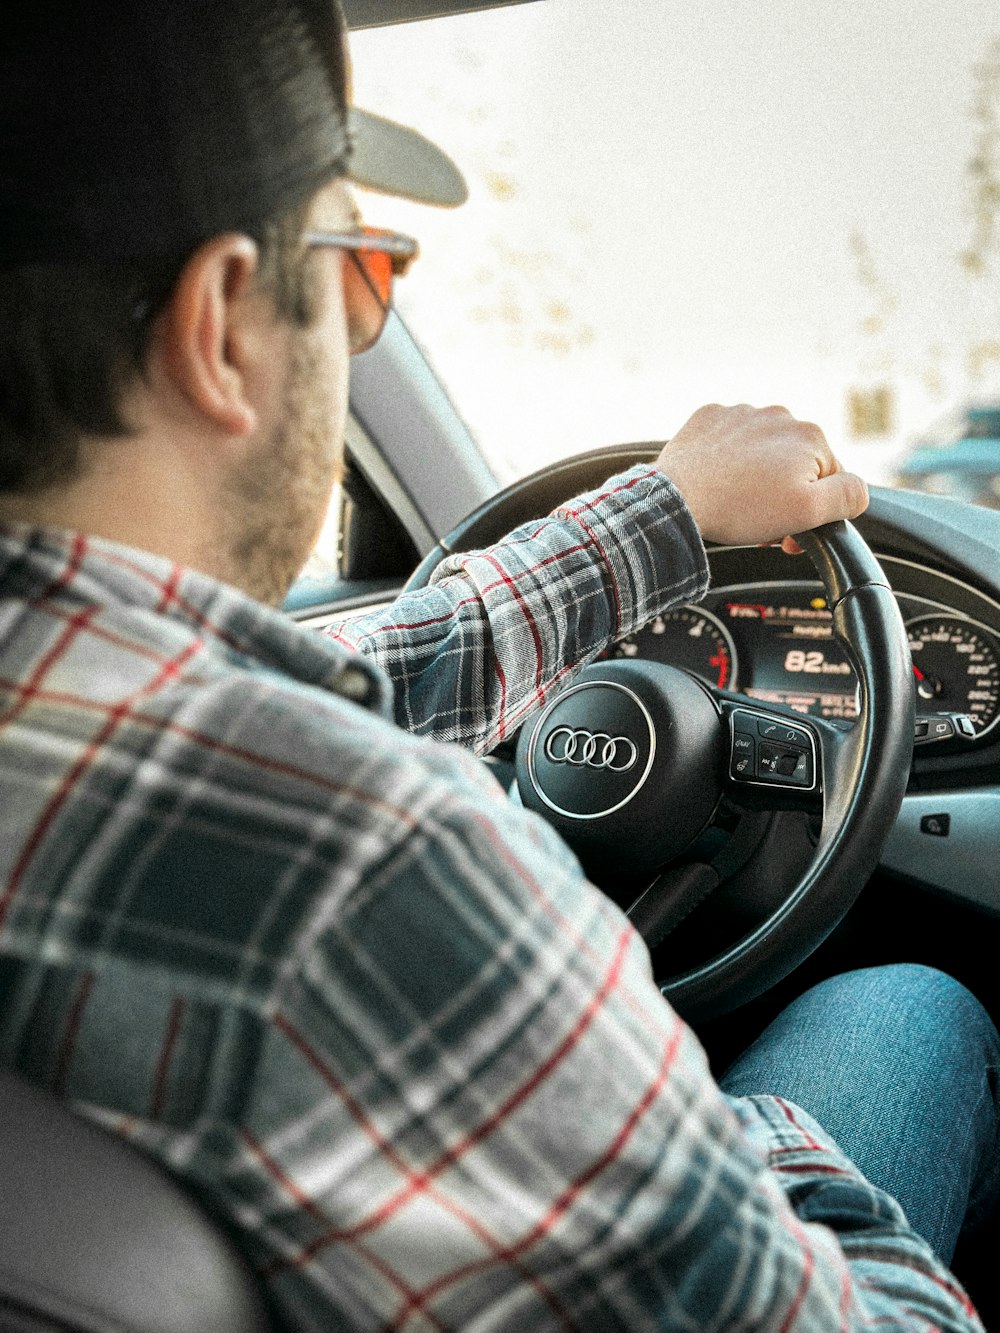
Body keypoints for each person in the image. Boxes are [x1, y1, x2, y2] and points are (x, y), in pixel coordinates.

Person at [0, 2, 997, 1329]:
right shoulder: (378, 866)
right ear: (222, 319)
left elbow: (341, 670)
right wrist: (668, 1103)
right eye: (361, 276)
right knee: (910, 1006)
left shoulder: (90, 709)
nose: (358, 325)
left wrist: (669, 510)